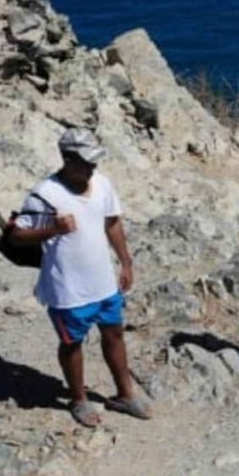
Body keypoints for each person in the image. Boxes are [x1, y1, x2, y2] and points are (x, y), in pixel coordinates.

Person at [9, 128, 151, 427]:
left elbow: (112, 223)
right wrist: (53, 229)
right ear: (68, 158)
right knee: (72, 343)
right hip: (67, 289)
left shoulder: (101, 184)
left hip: (103, 282)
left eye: (94, 161)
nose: (92, 167)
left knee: (114, 334)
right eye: (86, 162)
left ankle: (125, 394)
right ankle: (78, 399)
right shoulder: (44, 194)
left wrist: (125, 261)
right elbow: (17, 235)